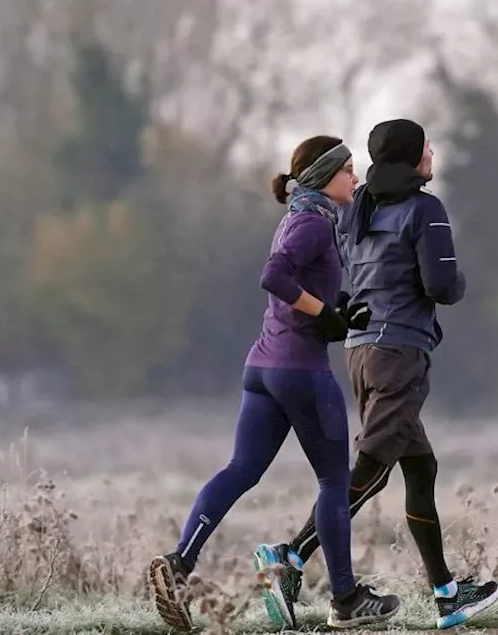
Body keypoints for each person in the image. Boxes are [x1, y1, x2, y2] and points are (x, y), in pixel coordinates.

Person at [252, 119, 498, 631]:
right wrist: (458, 281)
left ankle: (448, 595)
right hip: (401, 353)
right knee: (372, 468)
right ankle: (291, 558)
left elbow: (346, 271)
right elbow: (440, 284)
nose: (432, 151)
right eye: (425, 145)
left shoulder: (358, 204)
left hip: (361, 350)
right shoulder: (426, 209)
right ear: (412, 158)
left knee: (420, 469)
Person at [148, 135, 402, 631]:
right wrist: (323, 314)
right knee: (334, 481)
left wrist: (337, 311)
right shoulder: (311, 222)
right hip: (300, 371)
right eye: (349, 169)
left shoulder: (302, 216)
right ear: (327, 177)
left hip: (263, 367)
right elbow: (275, 276)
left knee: (241, 468)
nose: (356, 177)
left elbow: (299, 287)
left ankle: (179, 564)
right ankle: (347, 600)